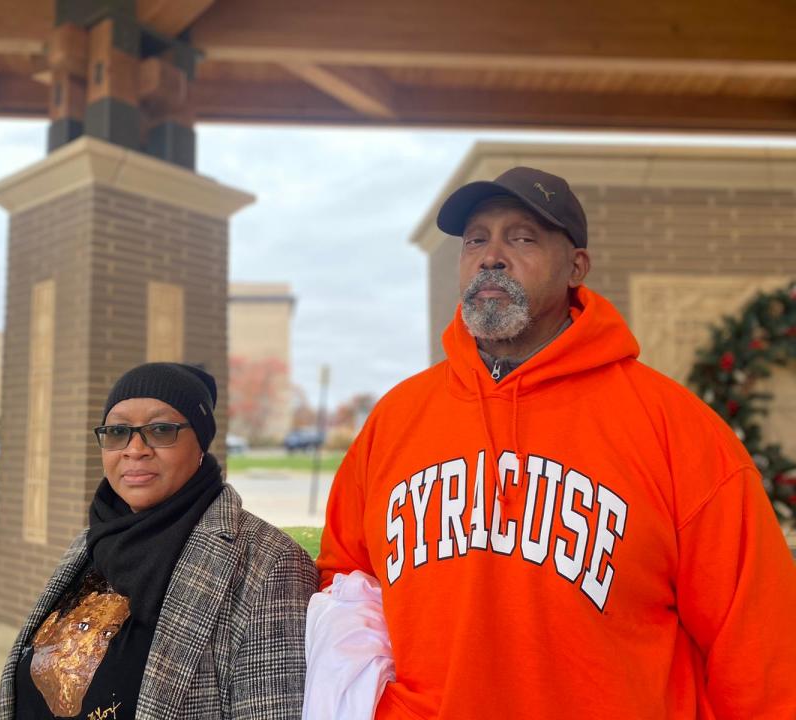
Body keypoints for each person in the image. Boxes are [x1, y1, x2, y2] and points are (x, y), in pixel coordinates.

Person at [313, 167, 796, 719]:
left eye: (522, 237)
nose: (491, 255)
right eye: (476, 239)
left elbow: (759, 650)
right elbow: (347, 585)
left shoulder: (674, 428)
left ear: (576, 267)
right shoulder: (397, 418)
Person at [0, 362, 317, 719]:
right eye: (118, 431)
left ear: (201, 444)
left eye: (161, 430)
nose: (135, 449)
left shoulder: (268, 565)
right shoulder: (91, 543)